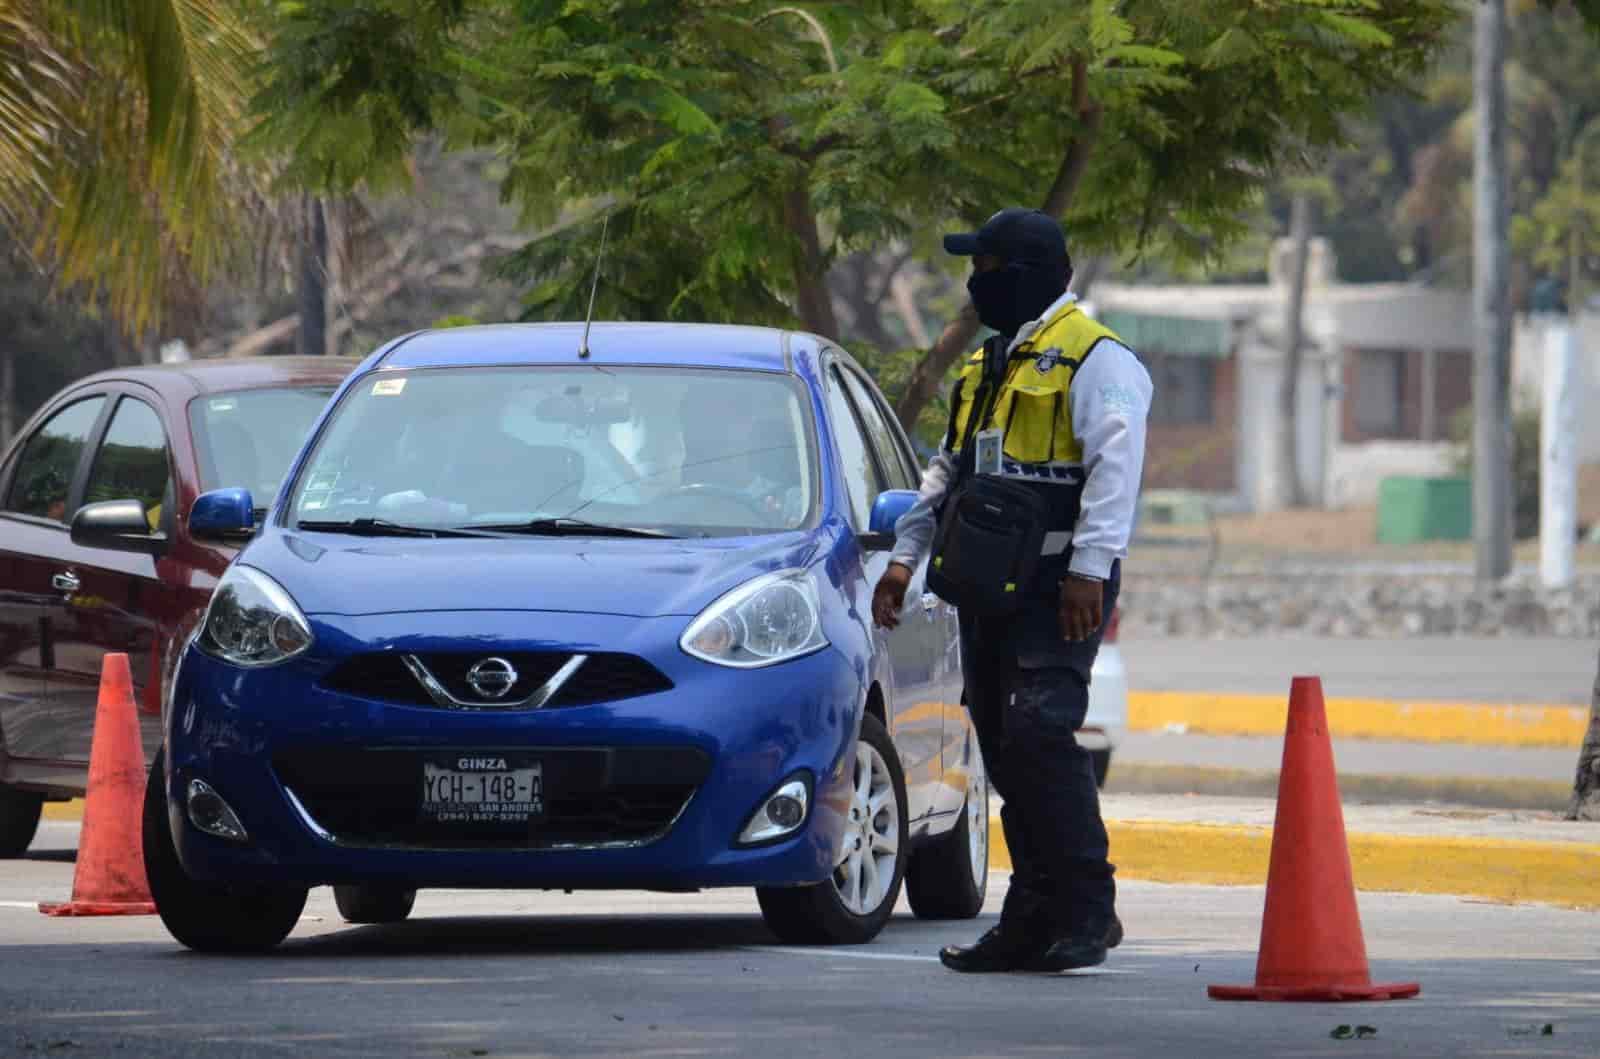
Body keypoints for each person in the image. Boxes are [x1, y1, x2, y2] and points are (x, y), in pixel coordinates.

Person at [871, 207, 1153, 973]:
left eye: (987, 269)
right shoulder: (986, 365)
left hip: (1062, 583)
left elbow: (1115, 472)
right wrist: (904, 558)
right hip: (988, 585)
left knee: (1039, 734)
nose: (975, 284)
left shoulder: (1095, 358)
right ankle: (1031, 917)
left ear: (1026, 273)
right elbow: (947, 471)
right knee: (1003, 745)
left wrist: (1090, 569)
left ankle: (1088, 910)